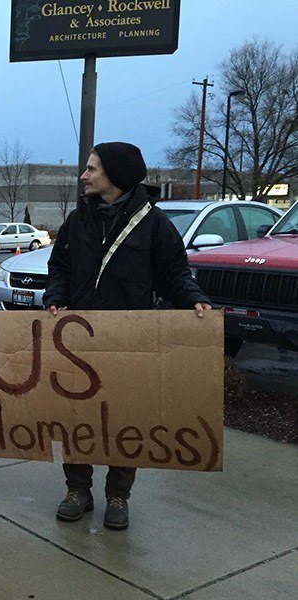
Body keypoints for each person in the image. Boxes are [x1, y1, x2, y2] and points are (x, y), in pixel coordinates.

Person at [43, 142, 212, 531]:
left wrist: (195, 300)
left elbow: (174, 275)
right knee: (77, 414)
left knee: (125, 417)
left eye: (92, 169)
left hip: (129, 341)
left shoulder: (154, 224)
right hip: (79, 342)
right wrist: (56, 298)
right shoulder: (76, 221)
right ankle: (77, 490)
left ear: (114, 176)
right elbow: (60, 269)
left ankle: (118, 494)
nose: (84, 176)